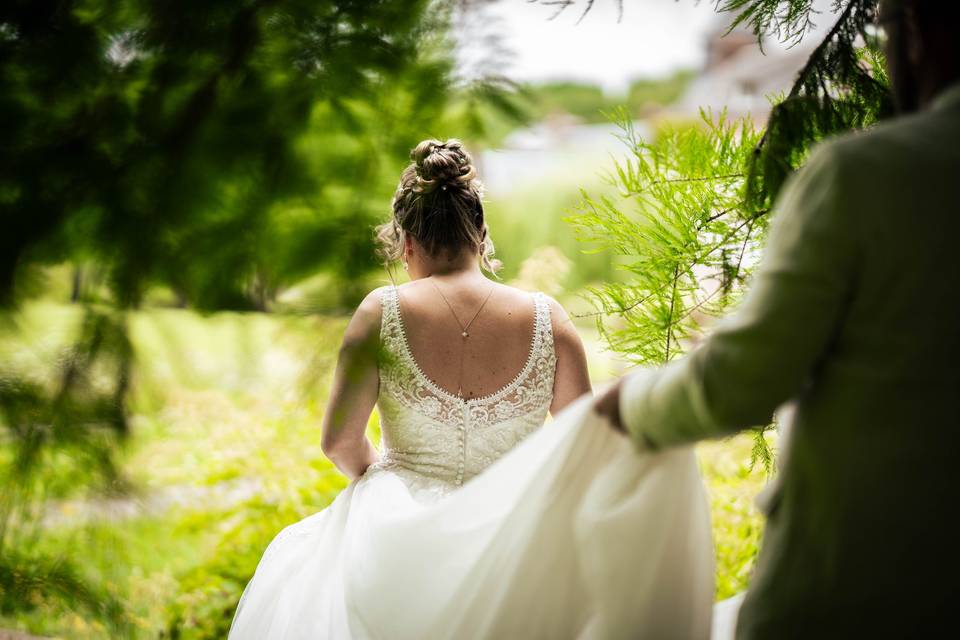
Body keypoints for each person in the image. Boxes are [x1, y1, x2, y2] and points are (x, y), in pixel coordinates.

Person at [228, 139, 715, 639]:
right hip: (515, 533)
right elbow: (581, 449)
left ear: (407, 242)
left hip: (395, 536)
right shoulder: (550, 320)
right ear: (481, 234)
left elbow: (339, 443)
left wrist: (385, 483)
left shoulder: (381, 312)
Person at [595, 1, 960, 637]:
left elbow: (740, 381)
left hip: (855, 589)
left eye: (885, 27)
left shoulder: (864, 175)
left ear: (921, 32)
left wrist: (632, 402)